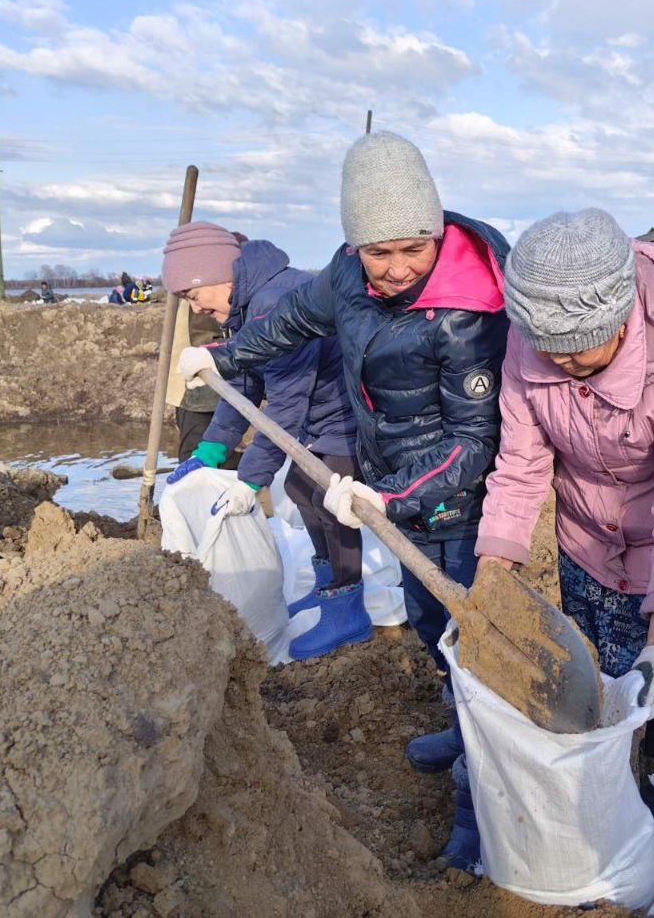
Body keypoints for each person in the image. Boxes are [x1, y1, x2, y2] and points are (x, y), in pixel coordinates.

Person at [178, 131, 509, 870]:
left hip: (459, 498)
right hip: (396, 486)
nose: (394, 270)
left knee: (475, 649)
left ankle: (479, 804)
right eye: (376, 252)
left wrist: (391, 498)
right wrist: (221, 358)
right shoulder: (347, 276)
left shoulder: (467, 312)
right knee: (429, 625)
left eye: (411, 250)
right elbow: (292, 322)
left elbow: (475, 442)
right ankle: (460, 730)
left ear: (435, 231)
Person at [474, 209, 654, 817]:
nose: (559, 361)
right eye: (547, 348)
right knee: (588, 672)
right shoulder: (528, 346)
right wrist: (489, 586)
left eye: (575, 347)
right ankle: (603, 792)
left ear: (619, 319)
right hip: (586, 539)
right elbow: (518, 469)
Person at [160, 222, 362, 659]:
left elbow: (285, 407)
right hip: (321, 413)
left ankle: (348, 608)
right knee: (298, 490)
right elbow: (246, 386)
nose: (196, 311)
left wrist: (250, 480)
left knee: (330, 501)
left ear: (219, 277)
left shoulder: (278, 300)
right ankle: (330, 585)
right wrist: (210, 451)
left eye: (194, 297)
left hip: (350, 413)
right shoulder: (248, 307)